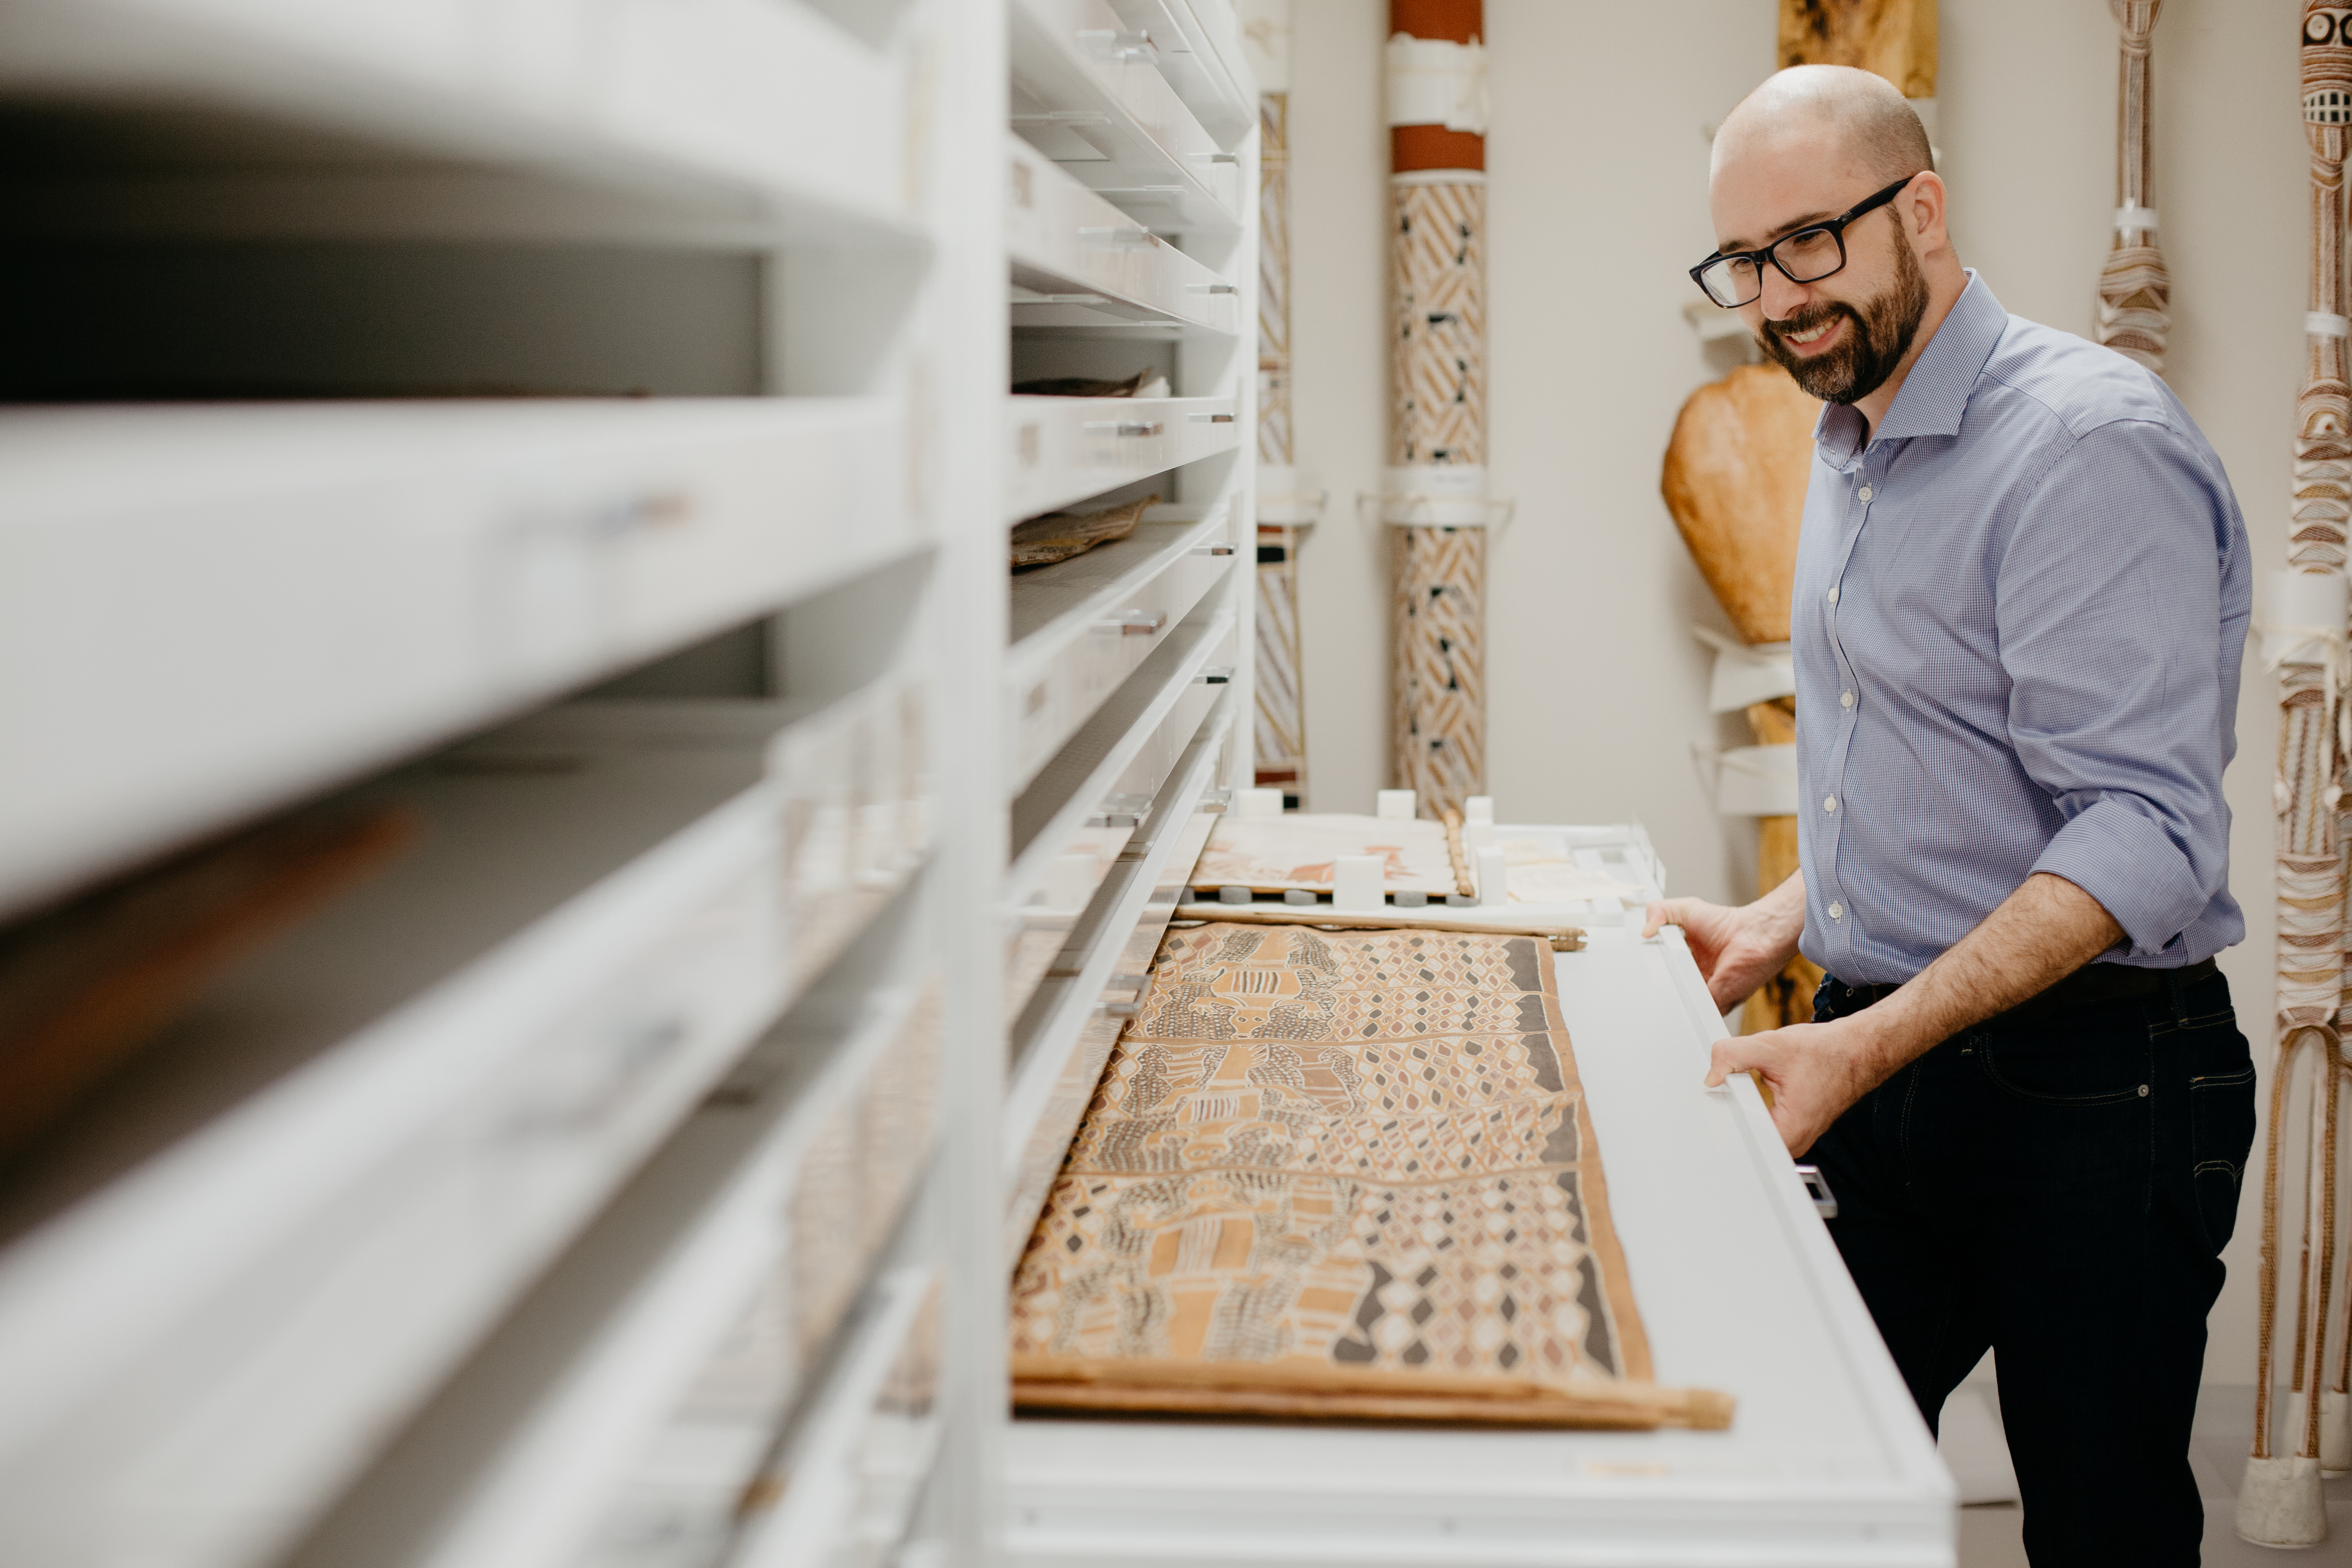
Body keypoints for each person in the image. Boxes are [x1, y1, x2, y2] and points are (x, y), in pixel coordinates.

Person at [1647, 65, 2256, 1566]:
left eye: (1811, 241)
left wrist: (1852, 1042)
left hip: (2099, 1089)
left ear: (1921, 206)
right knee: (1790, 1489)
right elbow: (1923, 763)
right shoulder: (1854, 430)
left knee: (2101, 1532)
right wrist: (1783, 918)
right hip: (1906, 1062)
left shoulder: (2084, 444)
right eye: (1743, 261)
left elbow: (2141, 831)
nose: (1779, 298)